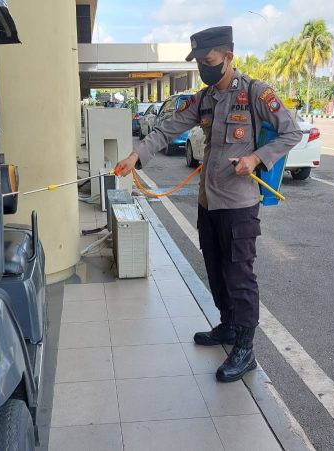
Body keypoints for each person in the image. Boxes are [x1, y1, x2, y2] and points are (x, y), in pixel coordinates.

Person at [115, 26, 303, 383]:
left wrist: (257, 158)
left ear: (228, 57)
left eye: (209, 60)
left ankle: (245, 348)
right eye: (199, 62)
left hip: (239, 205)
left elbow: (291, 131)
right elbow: (166, 130)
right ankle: (229, 326)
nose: (204, 67)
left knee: (239, 276)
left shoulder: (255, 94)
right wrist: (135, 156)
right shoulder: (203, 100)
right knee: (215, 270)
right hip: (208, 202)